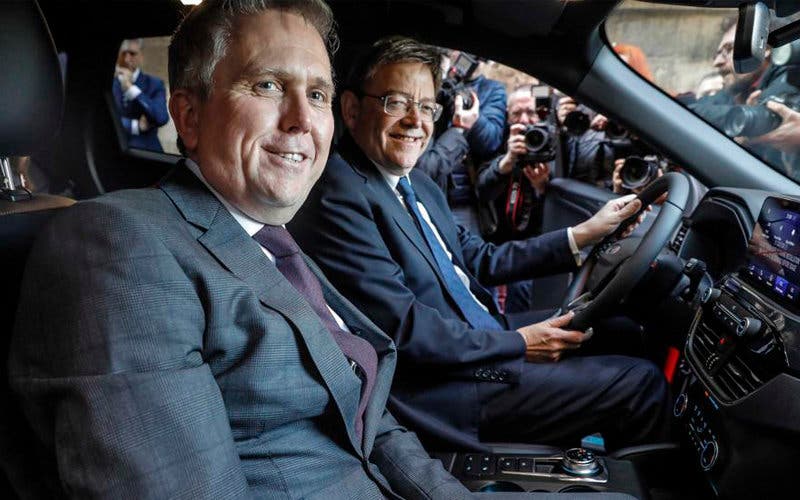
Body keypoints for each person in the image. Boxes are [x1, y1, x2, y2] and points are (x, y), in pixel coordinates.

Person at [9, 2, 560, 498]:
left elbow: (371, 422)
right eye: (268, 85)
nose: (303, 119)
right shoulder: (116, 248)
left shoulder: (270, 240)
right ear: (189, 117)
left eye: (316, 94)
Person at [289, 36, 670, 453]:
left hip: (482, 334)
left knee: (621, 330)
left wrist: (584, 234)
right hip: (454, 385)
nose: (416, 121)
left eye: (427, 107)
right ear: (351, 109)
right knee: (641, 384)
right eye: (396, 102)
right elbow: (405, 328)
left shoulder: (416, 182)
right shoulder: (338, 193)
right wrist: (521, 344)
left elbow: (478, 258)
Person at [475, 87, 551, 313]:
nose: (524, 120)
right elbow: (482, 189)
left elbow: (563, 200)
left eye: (530, 112)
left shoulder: (553, 145)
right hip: (499, 239)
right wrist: (505, 163)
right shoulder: (499, 143)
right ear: (507, 117)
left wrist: (542, 187)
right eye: (516, 113)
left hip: (537, 241)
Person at [416, 50, 507, 234]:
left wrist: (471, 116)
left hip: (464, 196)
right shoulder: (437, 84)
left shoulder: (492, 90)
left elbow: (490, 141)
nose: (457, 55)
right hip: (430, 183)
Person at [112, 38, 169, 152]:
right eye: (124, 53)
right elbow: (106, 119)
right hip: (114, 146)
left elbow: (161, 118)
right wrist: (135, 126)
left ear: (141, 56)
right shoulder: (113, 84)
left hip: (146, 150)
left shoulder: (154, 83)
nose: (127, 58)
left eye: (132, 54)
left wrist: (131, 89)